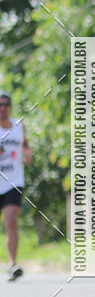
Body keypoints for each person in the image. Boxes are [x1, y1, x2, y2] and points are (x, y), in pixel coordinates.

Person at [0, 92, 32, 281]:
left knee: (11, 222)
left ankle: (12, 263)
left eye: (6, 104)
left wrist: (27, 153)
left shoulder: (19, 126)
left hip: (13, 181)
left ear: (10, 106)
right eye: (0, 105)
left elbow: (25, 144)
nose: (3, 107)